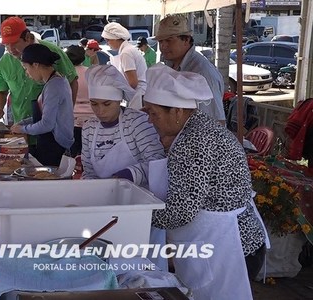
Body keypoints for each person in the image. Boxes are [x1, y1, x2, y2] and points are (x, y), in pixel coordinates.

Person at [142, 65, 266, 299]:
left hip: (229, 248)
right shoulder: (199, 126)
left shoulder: (193, 142)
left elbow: (180, 212)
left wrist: (137, 214)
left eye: (153, 113)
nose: (149, 120)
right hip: (234, 241)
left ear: (177, 111)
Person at [81, 65, 164, 185]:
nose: (100, 111)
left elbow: (157, 162)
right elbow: (89, 171)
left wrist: (129, 175)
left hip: (136, 194)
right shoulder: (89, 128)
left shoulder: (137, 122)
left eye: (107, 104)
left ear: (119, 100)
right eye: (94, 104)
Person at [0, 16, 78, 127]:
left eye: (14, 43)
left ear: (27, 37)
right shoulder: (5, 62)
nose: (11, 49)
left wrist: (67, 115)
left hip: (51, 129)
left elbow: (72, 81)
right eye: (7, 44)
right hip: (20, 128)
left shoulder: (52, 52)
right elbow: (0, 90)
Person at [10, 44, 74, 166]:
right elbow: (46, 114)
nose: (27, 73)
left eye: (25, 68)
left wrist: (22, 129)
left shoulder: (54, 86)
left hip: (55, 146)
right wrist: (23, 122)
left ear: (35, 64)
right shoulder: (55, 81)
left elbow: (47, 124)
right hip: (50, 143)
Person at [155, 14, 225, 124]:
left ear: (186, 40)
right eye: (160, 41)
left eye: (169, 40)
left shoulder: (202, 72)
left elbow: (216, 122)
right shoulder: (170, 65)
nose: (163, 46)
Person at [101, 22, 147, 109]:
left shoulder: (126, 53)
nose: (107, 43)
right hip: (139, 95)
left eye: (108, 40)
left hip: (139, 96)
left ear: (115, 38)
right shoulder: (128, 50)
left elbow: (133, 82)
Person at [64, 45, 91, 157]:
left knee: (73, 157)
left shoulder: (64, 75)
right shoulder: (91, 73)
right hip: (92, 118)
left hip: (71, 119)